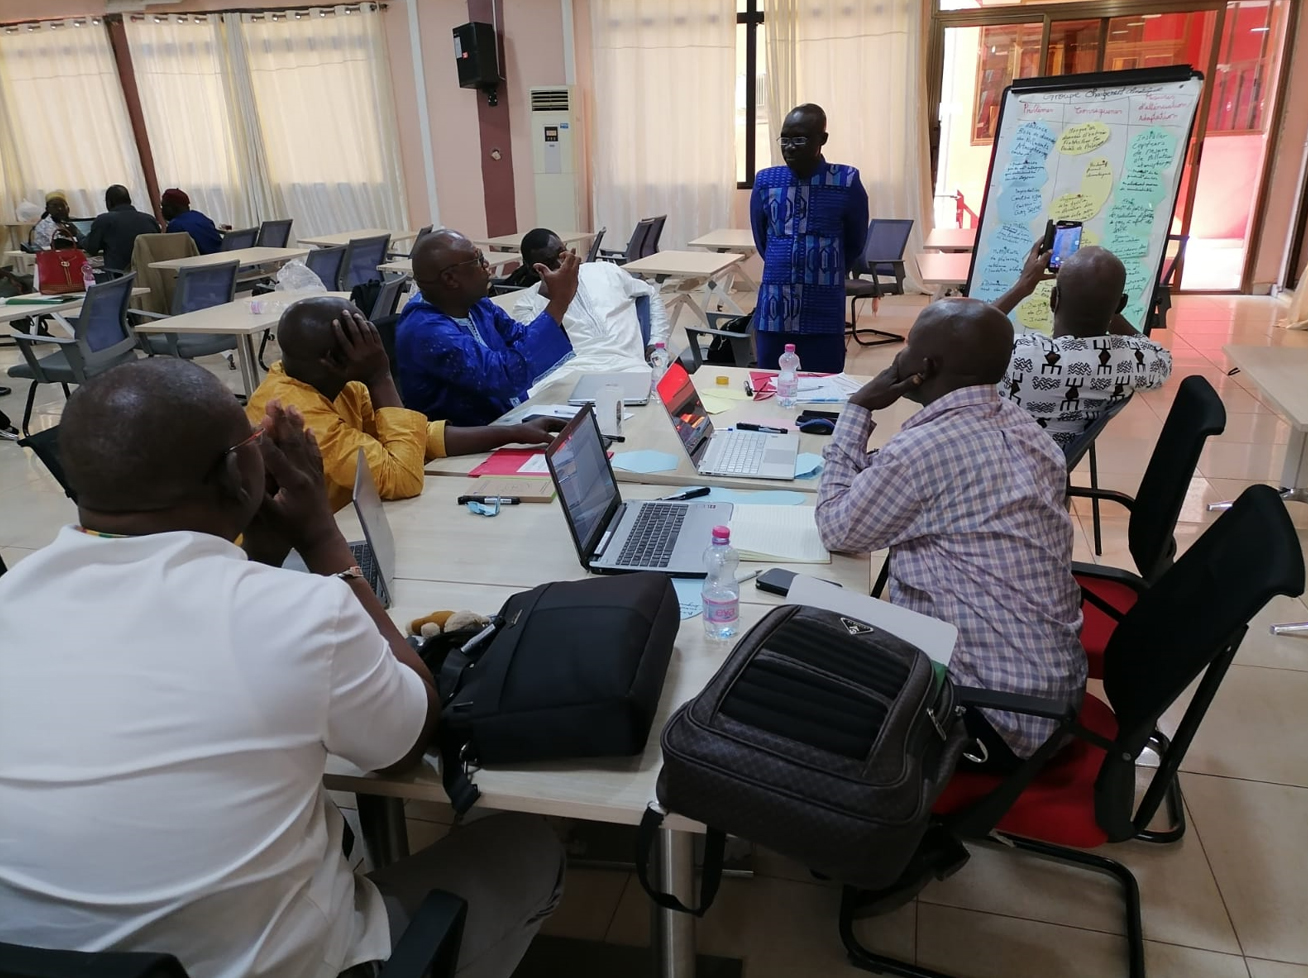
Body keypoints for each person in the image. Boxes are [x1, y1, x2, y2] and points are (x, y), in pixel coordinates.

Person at [0, 357, 563, 978]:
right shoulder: (304, 612)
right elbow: (406, 739)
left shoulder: (14, 595)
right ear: (239, 473)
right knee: (530, 844)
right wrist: (323, 540)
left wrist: (260, 551)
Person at [814, 298, 1085, 771]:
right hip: (1048, 689)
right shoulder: (1027, 427)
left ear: (924, 366)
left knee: (803, 646)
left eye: (908, 346)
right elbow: (902, 487)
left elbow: (839, 528)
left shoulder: (924, 449)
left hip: (988, 720)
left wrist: (858, 408)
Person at [247, 295, 566, 513]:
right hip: (291, 557)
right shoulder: (297, 412)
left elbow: (413, 438)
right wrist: (380, 375)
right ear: (333, 359)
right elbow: (402, 478)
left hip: (353, 520)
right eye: (364, 340)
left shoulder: (335, 383)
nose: (374, 346)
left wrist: (513, 433)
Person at [993, 242, 1173, 450]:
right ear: (1121, 305)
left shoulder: (1019, 354)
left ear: (1053, 300)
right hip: (1059, 463)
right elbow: (1162, 358)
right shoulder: (1130, 361)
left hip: (1002, 463)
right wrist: (1108, 305)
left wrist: (1022, 286)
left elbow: (960, 338)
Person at [395, 229, 578, 426]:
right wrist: (559, 302)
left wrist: (554, 302)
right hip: (469, 445)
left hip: (511, 420)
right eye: (478, 260)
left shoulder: (476, 304)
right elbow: (502, 376)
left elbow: (520, 337)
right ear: (450, 278)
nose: (486, 265)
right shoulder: (425, 331)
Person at [749, 103, 869, 372]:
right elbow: (762, 238)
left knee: (824, 384)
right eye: (786, 139)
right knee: (771, 383)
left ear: (822, 139)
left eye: (800, 139)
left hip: (823, 304)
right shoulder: (766, 181)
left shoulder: (845, 180)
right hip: (775, 307)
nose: (790, 147)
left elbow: (856, 240)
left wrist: (828, 269)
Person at [509, 228, 672, 378]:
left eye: (561, 254)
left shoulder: (606, 271)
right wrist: (549, 293)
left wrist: (657, 343)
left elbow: (651, 295)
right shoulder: (528, 303)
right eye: (549, 263)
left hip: (630, 367)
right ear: (533, 270)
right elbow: (532, 347)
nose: (561, 264)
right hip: (570, 376)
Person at [84, 184, 160, 272]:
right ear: (130, 200)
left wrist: (77, 234)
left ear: (109, 202)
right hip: (149, 274)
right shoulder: (150, 219)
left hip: (120, 278)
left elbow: (91, 248)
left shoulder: (104, 220)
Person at [160, 187, 223, 255]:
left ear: (174, 207)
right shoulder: (200, 216)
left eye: (163, 206)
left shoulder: (175, 225)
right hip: (223, 259)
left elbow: (171, 254)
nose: (161, 210)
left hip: (201, 263)